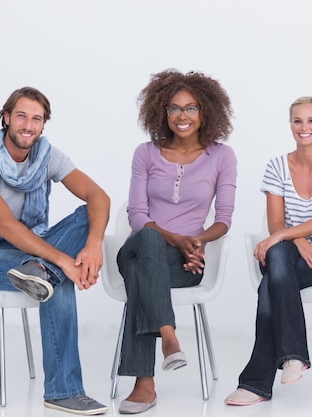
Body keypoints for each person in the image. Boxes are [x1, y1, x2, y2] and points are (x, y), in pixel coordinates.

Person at [0, 87, 110, 415]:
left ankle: (38, 270)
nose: (28, 124)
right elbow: (6, 227)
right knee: (58, 281)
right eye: (21, 115)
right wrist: (64, 261)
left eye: (36, 118)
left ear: (43, 125)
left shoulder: (47, 156)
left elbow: (98, 196)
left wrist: (93, 245)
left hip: (28, 249)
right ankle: (63, 391)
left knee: (87, 217)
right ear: (6, 117)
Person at [115, 69, 237, 414]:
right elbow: (137, 214)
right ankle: (168, 336)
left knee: (141, 275)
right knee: (149, 241)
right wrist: (175, 238)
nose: (182, 116)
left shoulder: (222, 157)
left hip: (185, 262)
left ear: (206, 112)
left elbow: (224, 220)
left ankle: (144, 385)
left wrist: (194, 242)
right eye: (173, 109)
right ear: (161, 112)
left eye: (191, 108)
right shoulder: (146, 153)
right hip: (139, 246)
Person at [225, 96, 312, 406]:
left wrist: (286, 236)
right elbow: (275, 223)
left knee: (271, 279)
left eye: (311, 121)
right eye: (298, 120)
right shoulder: (277, 166)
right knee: (279, 256)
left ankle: (256, 383)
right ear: (290, 125)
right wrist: (296, 240)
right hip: (291, 253)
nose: (304, 127)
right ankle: (293, 357)